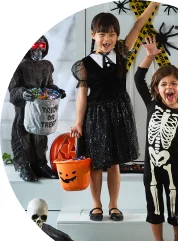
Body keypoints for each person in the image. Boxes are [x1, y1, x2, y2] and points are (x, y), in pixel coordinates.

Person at [70, 2, 160, 222]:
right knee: (96, 163)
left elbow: (138, 25)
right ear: (93, 35)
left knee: (115, 163)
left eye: (112, 34)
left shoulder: (121, 51)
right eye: (102, 34)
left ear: (117, 36)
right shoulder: (83, 65)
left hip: (119, 112)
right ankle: (96, 205)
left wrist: (153, 4)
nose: (107, 39)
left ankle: (114, 205)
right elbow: (82, 95)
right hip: (95, 115)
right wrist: (78, 122)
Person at [134, 36, 178, 241]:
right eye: (163, 84)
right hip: (151, 165)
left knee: (175, 206)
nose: (169, 87)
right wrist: (150, 56)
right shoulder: (152, 105)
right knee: (154, 206)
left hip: (174, 167)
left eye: (174, 84)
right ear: (156, 89)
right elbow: (138, 77)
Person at [8, 35, 66, 182]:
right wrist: (23, 93)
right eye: (35, 46)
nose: (38, 50)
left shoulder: (46, 66)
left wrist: (57, 90)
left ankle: (40, 164)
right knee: (23, 136)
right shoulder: (18, 65)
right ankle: (23, 165)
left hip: (40, 110)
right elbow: (13, 89)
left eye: (41, 46)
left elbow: (49, 85)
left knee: (41, 136)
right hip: (25, 110)